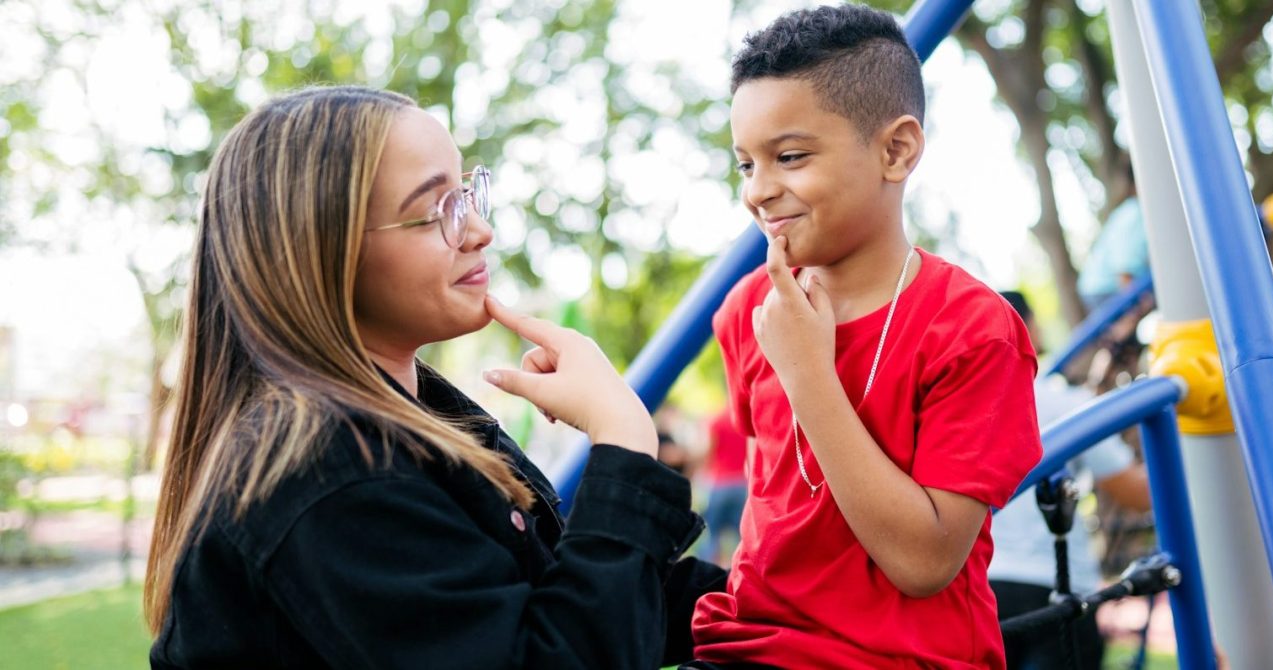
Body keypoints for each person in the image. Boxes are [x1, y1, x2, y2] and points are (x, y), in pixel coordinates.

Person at [143, 86, 725, 669]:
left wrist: (769, 600)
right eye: (437, 209)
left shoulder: (424, 420)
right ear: (326, 250)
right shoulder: (324, 472)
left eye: (468, 193)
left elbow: (554, 595)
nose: (479, 231)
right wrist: (624, 443)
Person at [688, 6, 1043, 668]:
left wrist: (808, 373)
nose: (759, 192)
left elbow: (924, 560)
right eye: (745, 164)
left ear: (896, 150)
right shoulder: (749, 310)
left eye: (789, 157)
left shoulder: (972, 328)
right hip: (745, 648)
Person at [990, 291, 1152, 670]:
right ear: (1027, 326)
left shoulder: (952, 405)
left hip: (981, 586)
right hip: (1056, 583)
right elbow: (1138, 494)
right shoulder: (1065, 405)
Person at [1076, 170, 1148, 310]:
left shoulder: (1129, 211)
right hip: (1105, 290)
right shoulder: (1135, 212)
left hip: (1100, 288)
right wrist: (1136, 308)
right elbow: (1125, 268)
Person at [696, 409, 748, 566]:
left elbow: (708, 450)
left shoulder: (716, 421)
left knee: (712, 531)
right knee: (742, 535)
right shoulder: (744, 420)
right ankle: (739, 570)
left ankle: (707, 569)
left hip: (720, 483)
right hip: (741, 483)